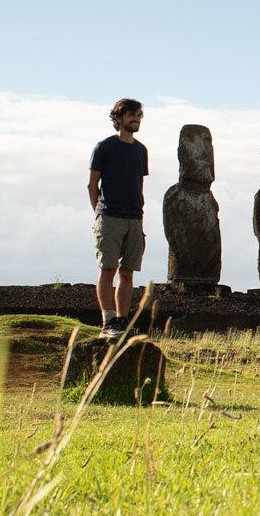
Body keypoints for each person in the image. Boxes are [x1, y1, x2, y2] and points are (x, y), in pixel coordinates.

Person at [88, 98, 148, 339]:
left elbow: (139, 183)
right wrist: (98, 212)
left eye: (139, 115)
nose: (136, 119)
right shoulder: (104, 147)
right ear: (119, 118)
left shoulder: (141, 150)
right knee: (108, 269)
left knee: (128, 272)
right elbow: (92, 184)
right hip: (109, 215)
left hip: (134, 217)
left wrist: (139, 211)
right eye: (131, 115)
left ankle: (122, 321)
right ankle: (108, 320)